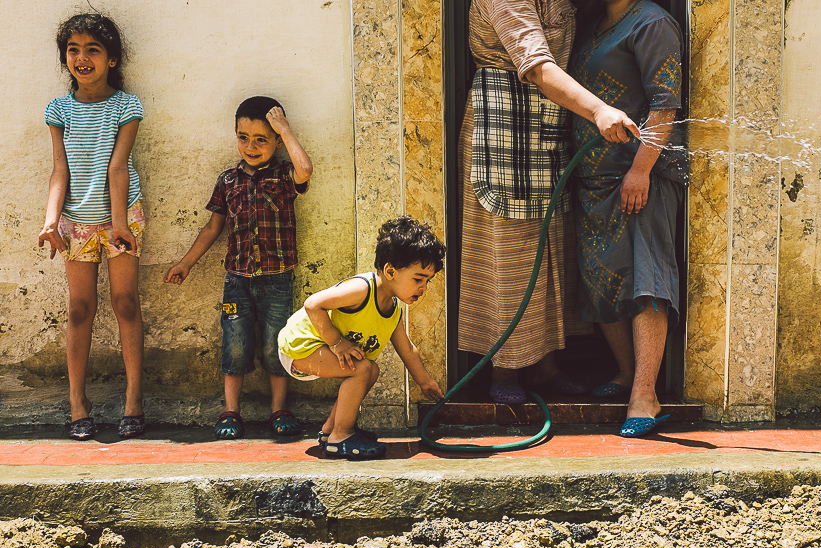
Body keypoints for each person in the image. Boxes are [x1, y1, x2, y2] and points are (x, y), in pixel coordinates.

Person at [457, 0, 641, 404]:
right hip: (502, 125)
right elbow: (538, 65)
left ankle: (544, 366)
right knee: (509, 256)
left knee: (550, 251)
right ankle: (503, 368)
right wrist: (598, 110)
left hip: (549, 125)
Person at [569, 0, 687, 437]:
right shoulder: (597, 25)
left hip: (639, 178)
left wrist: (641, 170)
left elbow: (664, 105)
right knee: (603, 277)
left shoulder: (653, 23)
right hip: (595, 179)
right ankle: (624, 372)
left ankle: (645, 395)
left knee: (645, 280)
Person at [164, 96, 313, 440]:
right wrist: (186, 263)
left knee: (278, 344)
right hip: (237, 281)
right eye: (243, 137)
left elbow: (305, 169)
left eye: (262, 139)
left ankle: (279, 409)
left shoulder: (284, 175)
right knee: (234, 344)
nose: (251, 146)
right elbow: (212, 229)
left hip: (278, 279)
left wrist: (285, 130)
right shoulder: (228, 180)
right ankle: (231, 410)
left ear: (276, 141)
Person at [36, 14, 146, 440]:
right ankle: (77, 405)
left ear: (112, 59)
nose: (82, 58)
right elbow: (59, 171)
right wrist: (51, 221)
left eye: (93, 50)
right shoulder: (59, 110)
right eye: (73, 50)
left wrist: (119, 225)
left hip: (122, 216)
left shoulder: (126, 106)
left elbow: (119, 167)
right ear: (66, 58)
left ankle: (134, 402)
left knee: (125, 303)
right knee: (80, 309)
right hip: (75, 222)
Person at [277, 216, 446, 460]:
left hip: (316, 350)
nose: (424, 288)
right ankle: (340, 437)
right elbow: (313, 305)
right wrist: (338, 343)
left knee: (371, 370)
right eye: (418, 279)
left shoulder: (393, 309)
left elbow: (406, 349)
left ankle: (329, 431)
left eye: (428, 281)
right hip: (300, 347)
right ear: (390, 271)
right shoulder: (362, 289)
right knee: (362, 368)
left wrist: (425, 382)